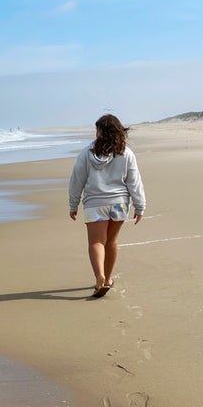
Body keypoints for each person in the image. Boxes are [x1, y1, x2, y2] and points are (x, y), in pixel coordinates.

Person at [68, 114, 146, 298]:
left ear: (100, 132)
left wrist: (73, 204)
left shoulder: (87, 153)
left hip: (95, 204)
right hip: (119, 204)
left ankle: (99, 276)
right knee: (111, 241)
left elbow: (76, 180)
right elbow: (134, 181)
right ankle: (109, 278)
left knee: (96, 242)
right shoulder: (126, 153)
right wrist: (139, 205)